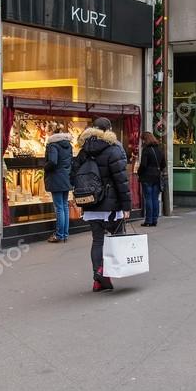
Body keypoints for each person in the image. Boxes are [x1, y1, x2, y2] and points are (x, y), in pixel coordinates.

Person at [71, 117, 132, 292]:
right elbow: (121, 180)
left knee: (97, 240)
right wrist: (126, 206)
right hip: (111, 205)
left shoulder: (84, 151)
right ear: (109, 130)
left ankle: (98, 277)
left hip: (90, 203)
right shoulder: (114, 149)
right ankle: (105, 271)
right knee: (116, 239)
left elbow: (73, 176)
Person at [43, 126, 73, 243]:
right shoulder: (68, 145)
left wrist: (45, 167)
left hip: (56, 178)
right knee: (64, 206)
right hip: (66, 178)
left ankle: (59, 235)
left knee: (59, 208)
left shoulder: (53, 145)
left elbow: (53, 162)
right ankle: (65, 234)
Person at [137, 131, 165, 227]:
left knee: (148, 198)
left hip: (147, 177)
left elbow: (143, 165)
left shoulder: (146, 150)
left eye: (143, 140)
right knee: (155, 199)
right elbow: (163, 164)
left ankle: (148, 220)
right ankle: (154, 220)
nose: (142, 142)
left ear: (145, 140)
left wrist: (139, 172)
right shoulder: (159, 149)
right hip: (157, 177)